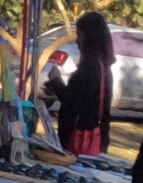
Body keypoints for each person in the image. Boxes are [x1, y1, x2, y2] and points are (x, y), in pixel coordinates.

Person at [49, 10, 117, 158]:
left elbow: (74, 100)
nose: (77, 41)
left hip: (81, 137)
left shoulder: (91, 65)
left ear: (90, 37)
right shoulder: (102, 63)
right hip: (94, 136)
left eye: (80, 35)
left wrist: (56, 81)